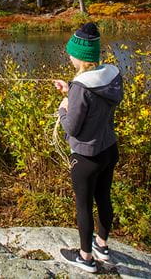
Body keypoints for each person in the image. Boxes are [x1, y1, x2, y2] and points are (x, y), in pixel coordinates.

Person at [53, 22, 123, 274]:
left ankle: (86, 258)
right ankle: (102, 246)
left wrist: (63, 107)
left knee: (83, 206)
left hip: (86, 157)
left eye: (71, 53)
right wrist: (71, 90)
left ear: (80, 57)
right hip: (109, 149)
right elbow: (95, 99)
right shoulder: (112, 75)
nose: (69, 57)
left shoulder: (81, 86)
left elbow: (72, 127)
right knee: (104, 197)